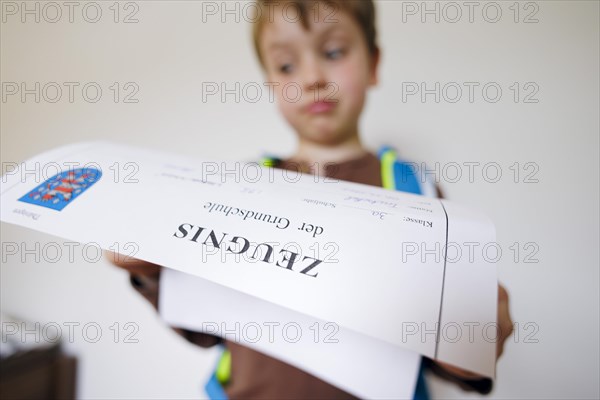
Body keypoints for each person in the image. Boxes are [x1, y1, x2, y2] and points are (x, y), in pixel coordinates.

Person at [107, 0, 513, 398]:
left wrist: (471, 349)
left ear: (373, 64)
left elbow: (448, 352)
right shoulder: (237, 187)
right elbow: (203, 325)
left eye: (333, 52)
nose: (313, 77)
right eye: (286, 66)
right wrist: (152, 274)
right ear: (269, 82)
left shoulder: (418, 194)